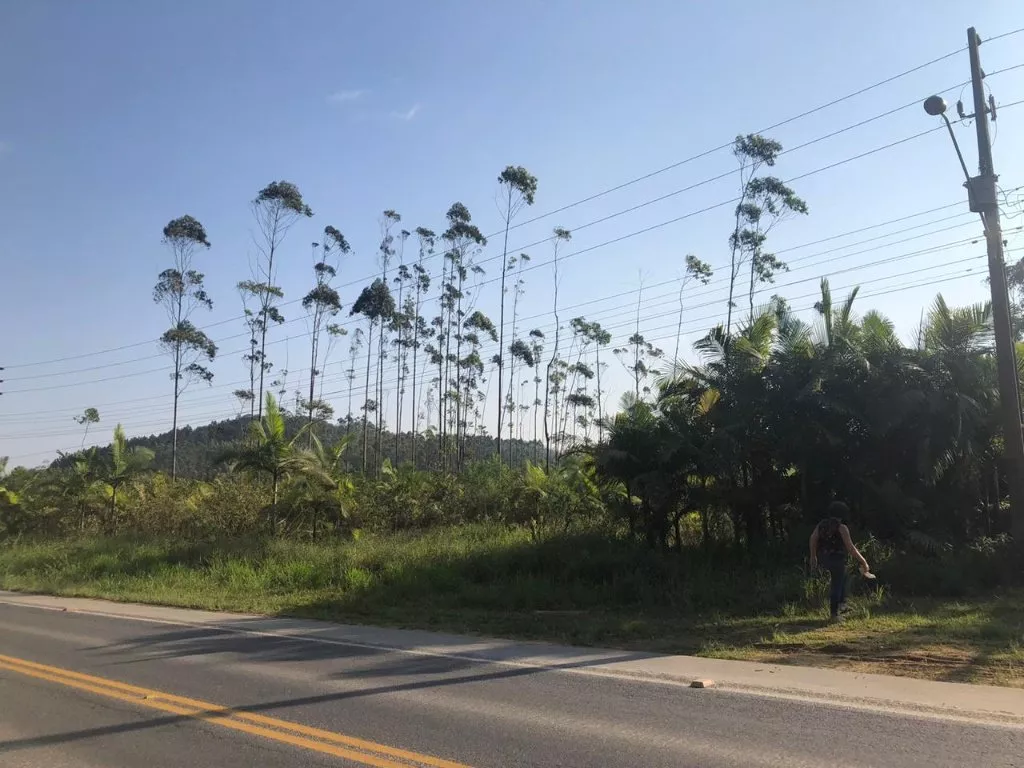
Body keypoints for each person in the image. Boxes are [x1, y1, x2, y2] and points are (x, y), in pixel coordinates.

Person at [809, 502, 871, 622]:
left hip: (823, 558)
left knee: (844, 576)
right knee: (836, 584)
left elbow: (813, 539)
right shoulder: (841, 528)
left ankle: (842, 604)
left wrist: (813, 556)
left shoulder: (821, 525)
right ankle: (834, 614)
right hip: (837, 558)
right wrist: (863, 561)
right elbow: (851, 548)